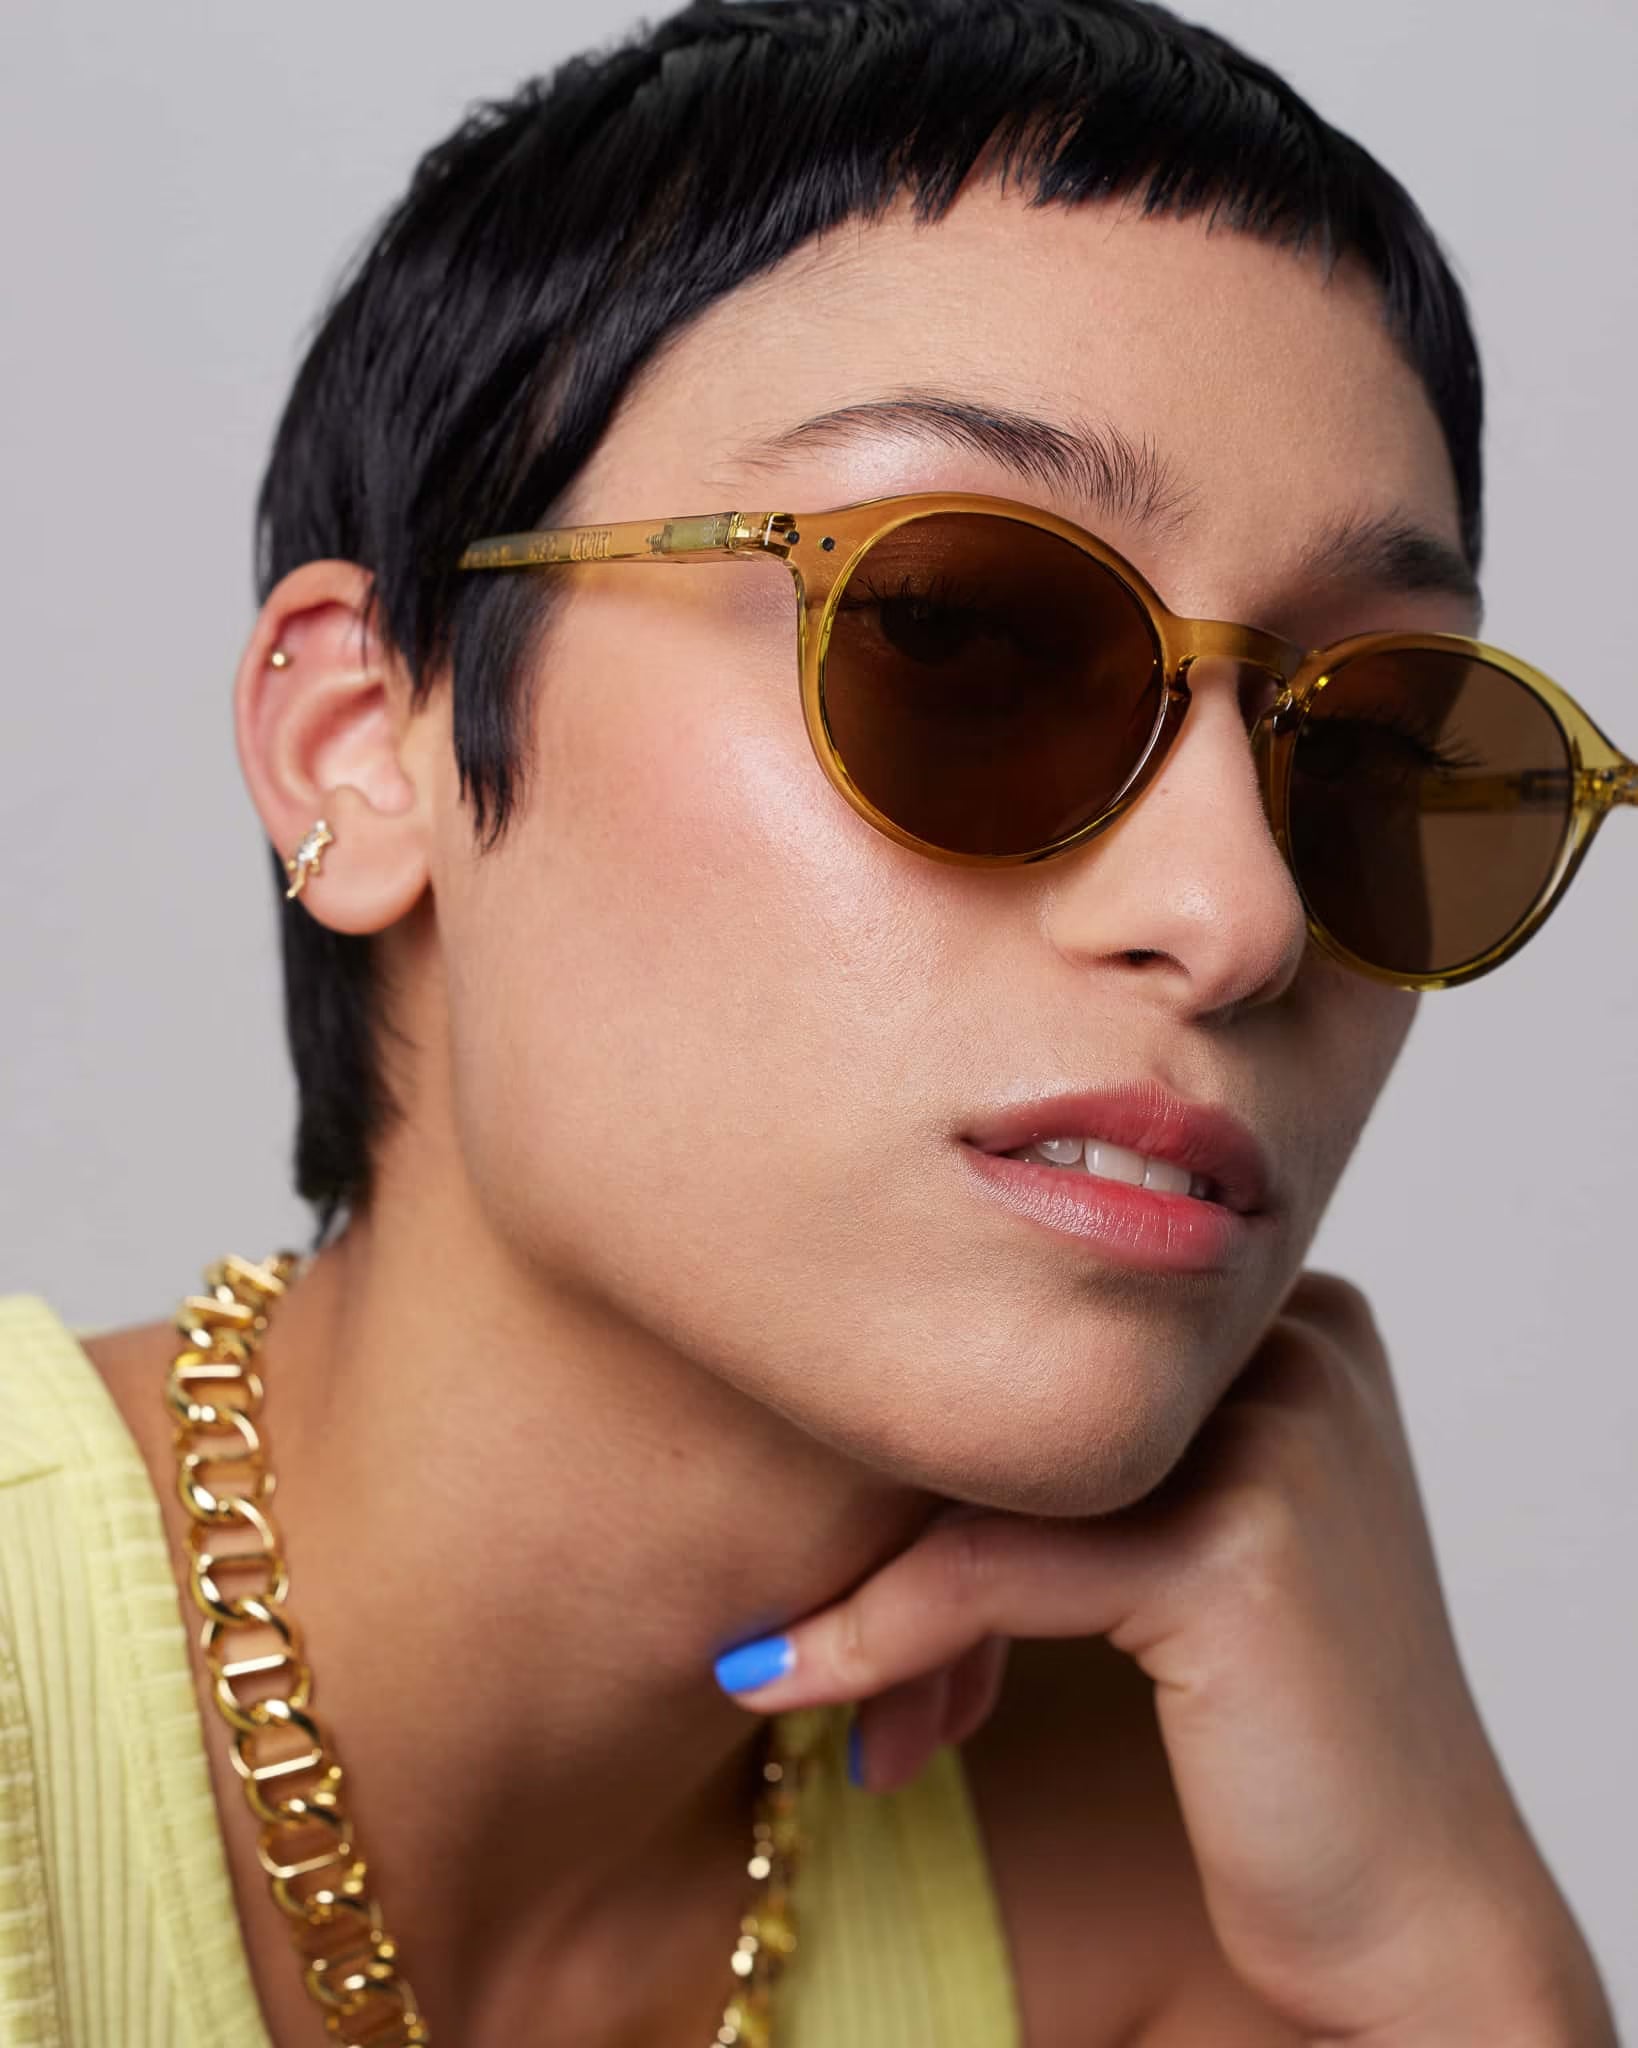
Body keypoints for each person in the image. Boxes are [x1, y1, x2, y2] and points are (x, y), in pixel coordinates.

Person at [0, 0, 1629, 2042]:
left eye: (1373, 745)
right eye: (956, 636)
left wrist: (1457, 1937)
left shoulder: (1193, 1874)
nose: (1239, 916)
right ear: (364, 746)